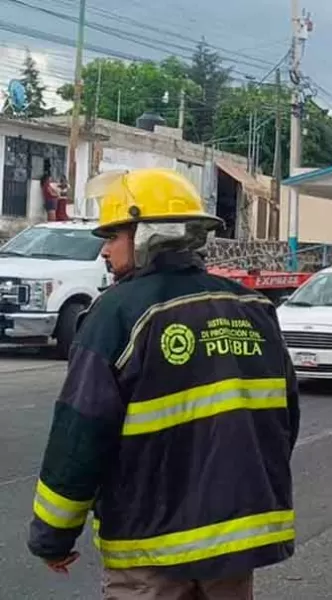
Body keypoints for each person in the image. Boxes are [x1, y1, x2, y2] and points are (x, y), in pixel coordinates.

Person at [27, 168, 301, 599]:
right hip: (234, 546)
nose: (104, 251)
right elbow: (283, 421)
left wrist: (53, 537)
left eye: (113, 235)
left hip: (149, 549)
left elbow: (79, 436)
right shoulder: (252, 307)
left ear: (145, 236)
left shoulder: (117, 312)